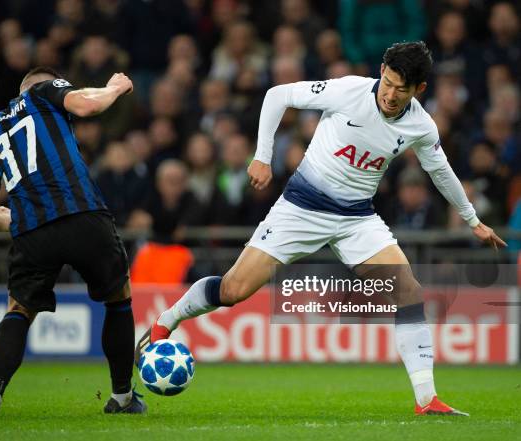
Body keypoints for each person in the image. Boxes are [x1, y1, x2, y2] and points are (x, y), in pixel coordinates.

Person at [136, 42, 507, 416]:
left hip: (357, 219)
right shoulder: (348, 91)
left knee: (408, 291)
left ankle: (427, 400)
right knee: (232, 291)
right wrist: (262, 157)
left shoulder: (421, 126)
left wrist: (472, 220)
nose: (391, 95)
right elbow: (277, 94)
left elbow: (440, 171)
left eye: (402, 89)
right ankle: (166, 320)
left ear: (420, 90)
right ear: (381, 71)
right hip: (301, 207)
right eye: (388, 83)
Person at [0, 67, 146, 415]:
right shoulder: (42, 92)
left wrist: (22, 218)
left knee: (19, 309)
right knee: (117, 297)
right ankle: (123, 397)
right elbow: (86, 105)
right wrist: (115, 87)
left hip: (32, 231)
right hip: (82, 214)